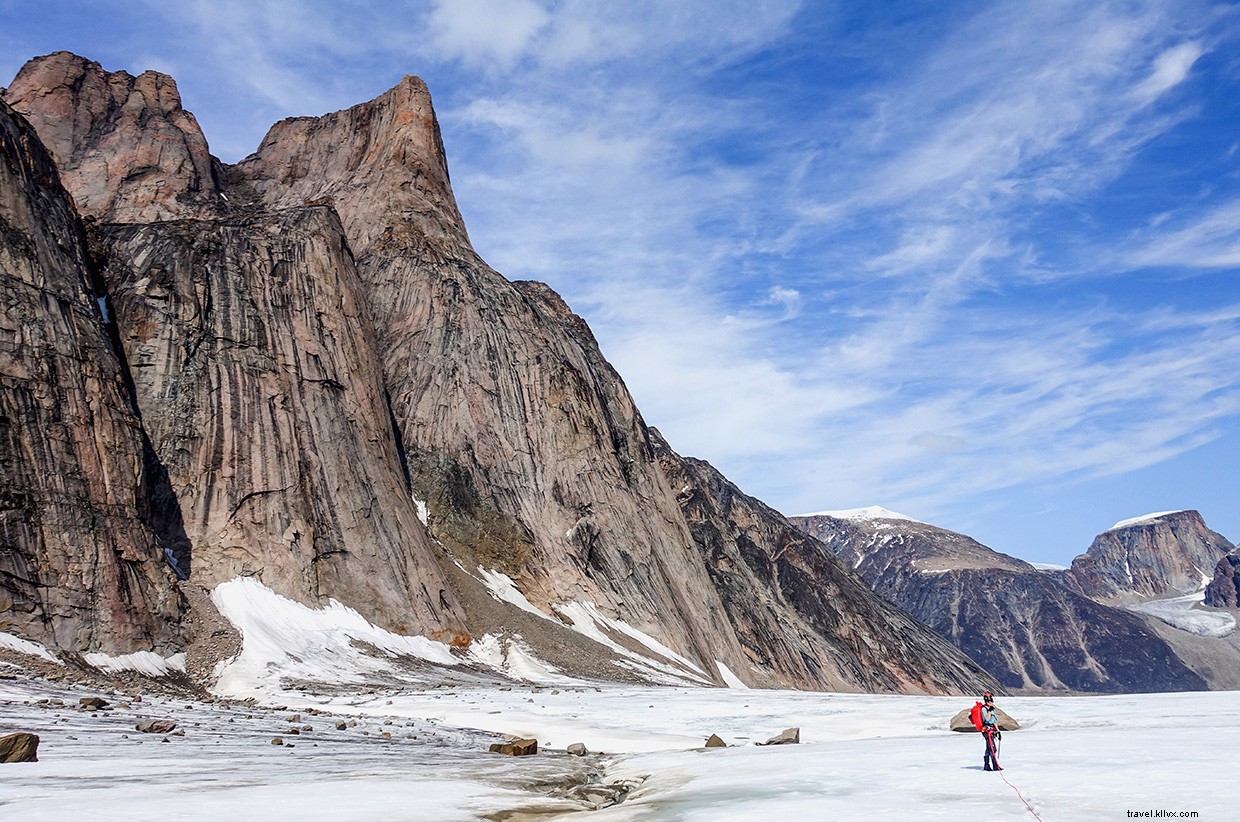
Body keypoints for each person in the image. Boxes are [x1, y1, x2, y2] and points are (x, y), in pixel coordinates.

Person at [981, 691, 1002, 771]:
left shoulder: (991, 709)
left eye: (991, 701)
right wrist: (989, 711)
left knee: (989, 747)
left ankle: (987, 765)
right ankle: (995, 765)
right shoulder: (984, 709)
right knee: (992, 748)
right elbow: (987, 719)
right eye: (989, 701)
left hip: (992, 730)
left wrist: (998, 730)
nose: (991, 702)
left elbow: (994, 720)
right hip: (986, 730)